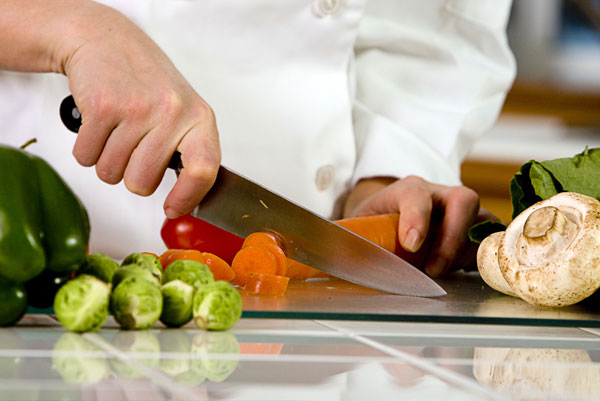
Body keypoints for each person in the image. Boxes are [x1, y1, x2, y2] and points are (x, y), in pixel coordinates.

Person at [0, 0, 515, 277]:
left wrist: (380, 182)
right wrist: (71, 28)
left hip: (296, 307)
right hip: (33, 246)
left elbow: (441, 36)